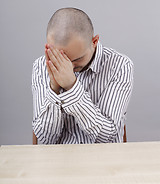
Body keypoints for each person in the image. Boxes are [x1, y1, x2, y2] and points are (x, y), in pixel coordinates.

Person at [32, 7, 134, 144]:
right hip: (58, 161)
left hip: (104, 161)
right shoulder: (41, 66)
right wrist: (54, 89)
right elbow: (45, 138)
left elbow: (107, 137)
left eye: (76, 59)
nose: (69, 68)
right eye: (61, 59)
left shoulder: (120, 65)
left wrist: (72, 87)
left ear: (94, 41)